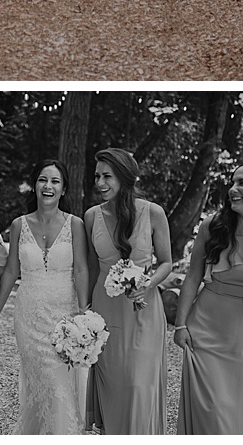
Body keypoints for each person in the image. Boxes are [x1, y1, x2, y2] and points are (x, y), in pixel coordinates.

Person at [175, 161, 243, 435]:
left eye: (242, 183)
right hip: (207, 329)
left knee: (242, 409)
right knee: (212, 411)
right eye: (232, 182)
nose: (233, 189)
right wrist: (180, 325)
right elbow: (192, 277)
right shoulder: (212, 225)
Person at [0, 159, 89, 433]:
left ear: (63, 189)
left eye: (55, 181)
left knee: (60, 383)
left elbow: (80, 270)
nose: (48, 186)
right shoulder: (19, 225)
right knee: (41, 383)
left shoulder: (76, 224)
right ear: (34, 186)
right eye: (43, 180)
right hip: (29, 318)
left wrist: (84, 314)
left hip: (65, 318)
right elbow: (11, 271)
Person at [84, 147, 173, 434]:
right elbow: (92, 268)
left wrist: (147, 283)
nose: (100, 183)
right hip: (105, 311)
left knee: (138, 384)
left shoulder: (153, 213)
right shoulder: (91, 216)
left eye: (107, 176)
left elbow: (167, 263)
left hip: (143, 310)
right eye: (97, 176)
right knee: (112, 384)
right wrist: (84, 312)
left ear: (125, 177)